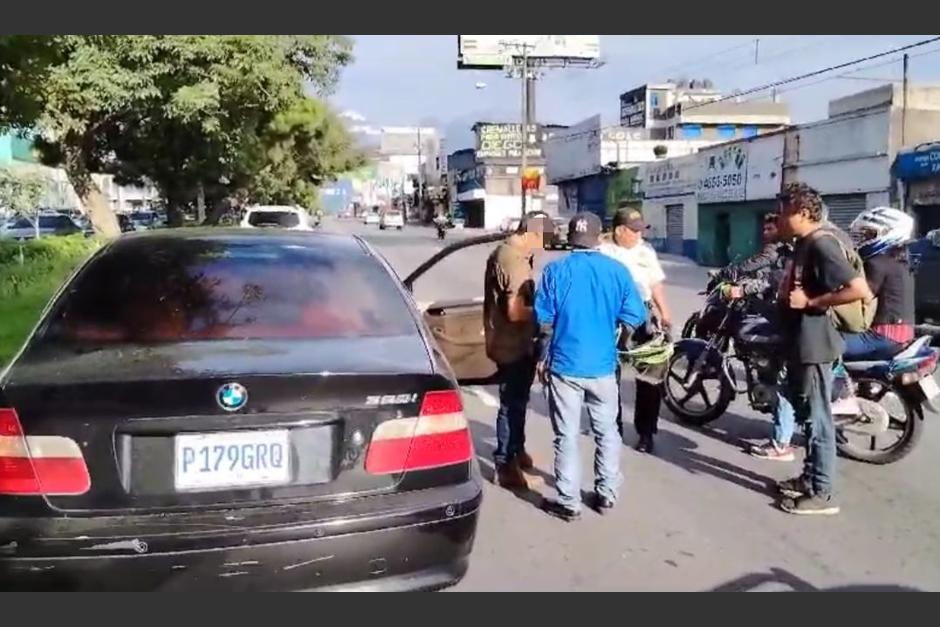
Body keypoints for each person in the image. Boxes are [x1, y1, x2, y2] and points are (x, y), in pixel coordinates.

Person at [534, 212, 647, 521]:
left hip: (565, 366)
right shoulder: (617, 271)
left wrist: (542, 357)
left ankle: (568, 503)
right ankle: (607, 494)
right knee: (607, 432)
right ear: (600, 238)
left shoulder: (555, 271)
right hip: (603, 367)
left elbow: (543, 321)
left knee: (565, 436)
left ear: (571, 238)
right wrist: (616, 336)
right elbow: (635, 316)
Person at [776, 183, 873, 516]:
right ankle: (810, 478)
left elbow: (857, 289)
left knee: (819, 421)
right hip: (801, 342)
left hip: (816, 344)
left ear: (802, 213)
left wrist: (811, 301)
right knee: (806, 414)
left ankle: (823, 493)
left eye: (784, 212)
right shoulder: (804, 243)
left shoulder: (822, 243)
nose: (779, 218)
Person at [483, 211, 552, 489]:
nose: (545, 245)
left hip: (514, 341)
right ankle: (505, 463)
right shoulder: (513, 260)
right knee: (511, 404)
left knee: (518, 401)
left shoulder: (510, 254)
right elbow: (514, 311)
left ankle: (517, 450)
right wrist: (545, 312)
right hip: (512, 343)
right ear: (533, 233)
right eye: (544, 239)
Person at [598, 208, 673, 453]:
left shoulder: (645, 250)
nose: (639, 234)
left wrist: (665, 313)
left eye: (641, 229)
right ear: (619, 230)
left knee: (650, 373)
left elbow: (655, 283)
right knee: (609, 374)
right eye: (634, 230)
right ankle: (612, 426)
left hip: (641, 313)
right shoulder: (603, 251)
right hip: (611, 314)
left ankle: (646, 432)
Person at [843, 207, 917, 360]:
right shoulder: (900, 264)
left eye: (868, 234)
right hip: (903, 335)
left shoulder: (876, 263)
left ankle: (829, 383)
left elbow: (859, 298)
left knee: (824, 345)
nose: (862, 239)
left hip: (882, 337)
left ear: (888, 233)